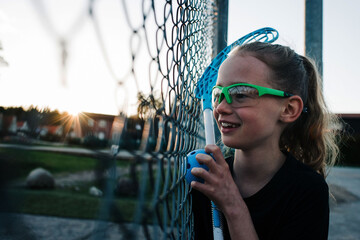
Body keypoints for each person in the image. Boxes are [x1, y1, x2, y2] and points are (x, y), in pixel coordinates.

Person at [190, 42, 341, 240]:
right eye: (218, 94)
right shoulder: (207, 180)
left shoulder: (307, 190)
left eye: (241, 93)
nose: (220, 108)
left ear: (288, 109)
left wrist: (232, 204)